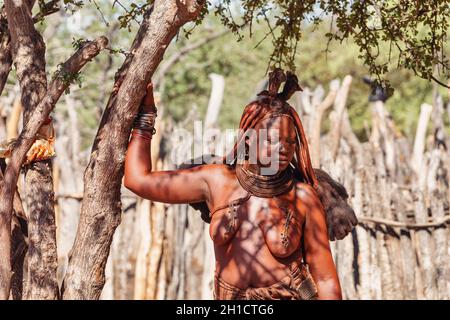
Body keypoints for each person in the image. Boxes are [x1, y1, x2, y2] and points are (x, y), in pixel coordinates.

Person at [124, 69, 346, 300]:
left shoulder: (302, 197)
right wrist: (145, 116)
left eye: (290, 142)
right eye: (272, 140)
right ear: (248, 137)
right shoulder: (217, 181)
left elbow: (326, 279)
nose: (283, 149)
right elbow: (137, 180)